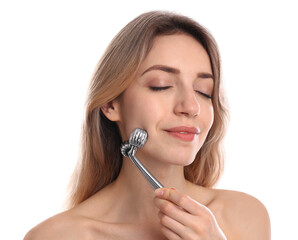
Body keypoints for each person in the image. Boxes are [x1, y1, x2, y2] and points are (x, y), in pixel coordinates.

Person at [24, 11, 270, 239]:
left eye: (204, 91)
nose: (191, 106)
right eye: (161, 85)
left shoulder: (244, 217)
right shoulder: (58, 236)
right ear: (111, 104)